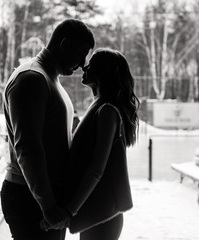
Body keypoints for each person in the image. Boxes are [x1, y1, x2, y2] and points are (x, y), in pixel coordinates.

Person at [0, 19, 95, 240]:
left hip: (37, 197)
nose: (82, 64)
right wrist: (49, 206)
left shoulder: (47, 79)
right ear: (64, 44)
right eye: (81, 54)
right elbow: (28, 148)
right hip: (31, 199)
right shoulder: (32, 79)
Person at [65, 48, 140, 239]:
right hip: (98, 212)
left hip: (103, 216)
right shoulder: (100, 106)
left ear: (102, 72)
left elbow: (96, 169)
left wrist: (69, 210)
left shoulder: (107, 111)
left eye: (90, 65)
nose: (84, 68)